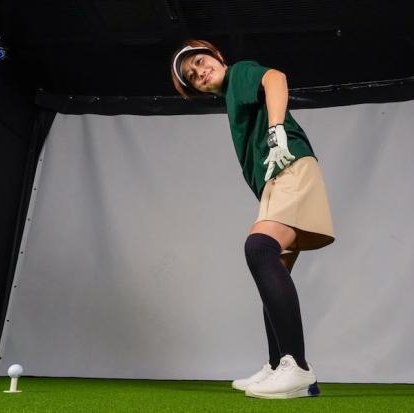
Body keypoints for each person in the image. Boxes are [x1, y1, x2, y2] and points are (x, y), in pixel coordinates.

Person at [170, 39, 335, 399]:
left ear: (217, 56)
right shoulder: (231, 96)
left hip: (290, 167)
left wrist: (276, 130)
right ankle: (281, 368)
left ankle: (297, 367)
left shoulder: (239, 73)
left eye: (200, 61)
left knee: (259, 249)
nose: (200, 72)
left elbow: (275, 78)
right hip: (275, 183)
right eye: (193, 77)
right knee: (272, 274)